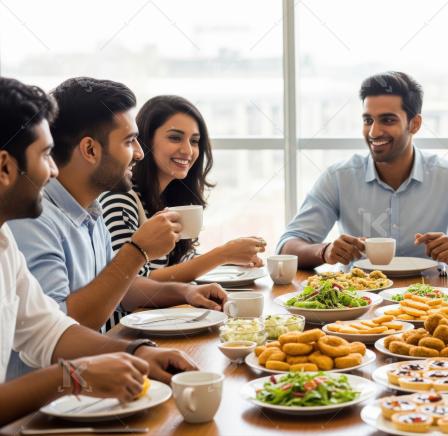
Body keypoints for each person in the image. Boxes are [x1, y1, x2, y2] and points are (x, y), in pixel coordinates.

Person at [0, 77, 198, 425]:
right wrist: (77, 376)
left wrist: (136, 351)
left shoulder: (4, 242)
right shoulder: (29, 223)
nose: (54, 170)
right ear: (4, 168)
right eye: (45, 156)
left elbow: (47, 329)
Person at [277, 71, 448, 269]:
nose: (374, 132)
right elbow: (287, 246)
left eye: (387, 120)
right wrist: (325, 251)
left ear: (415, 124)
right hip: (358, 308)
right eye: (368, 120)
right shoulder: (338, 178)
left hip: (432, 304)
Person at [99, 95, 266, 282]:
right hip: (139, 312)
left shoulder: (171, 195)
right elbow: (133, 282)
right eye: (175, 138)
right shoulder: (120, 198)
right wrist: (223, 254)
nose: (187, 150)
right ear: (145, 140)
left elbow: (179, 262)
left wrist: (232, 258)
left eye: (194, 141)